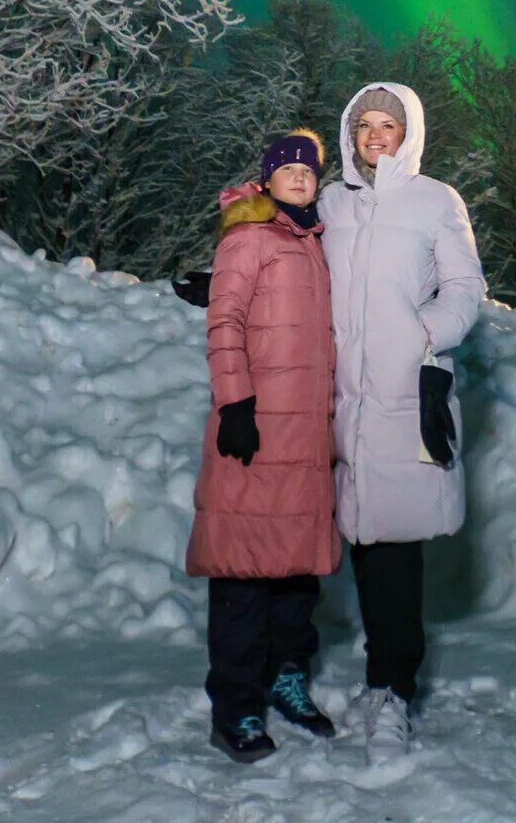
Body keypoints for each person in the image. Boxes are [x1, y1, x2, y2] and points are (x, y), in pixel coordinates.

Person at [321, 82, 486, 761]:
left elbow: (465, 289)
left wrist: (425, 336)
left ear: (409, 132)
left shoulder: (435, 200)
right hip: (339, 402)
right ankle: (376, 670)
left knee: (397, 552)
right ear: (350, 134)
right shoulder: (332, 201)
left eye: (389, 124)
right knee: (361, 539)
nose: (375, 135)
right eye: (365, 124)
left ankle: (393, 693)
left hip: (403, 398)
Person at [184, 130, 342, 766]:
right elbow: (223, 322)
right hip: (255, 430)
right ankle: (236, 706)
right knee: (245, 574)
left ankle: (286, 680)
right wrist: (236, 403)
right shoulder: (247, 236)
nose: (300, 176)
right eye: (289, 168)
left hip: (305, 435)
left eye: (309, 169)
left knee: (295, 578)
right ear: (268, 177)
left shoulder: (314, 244)